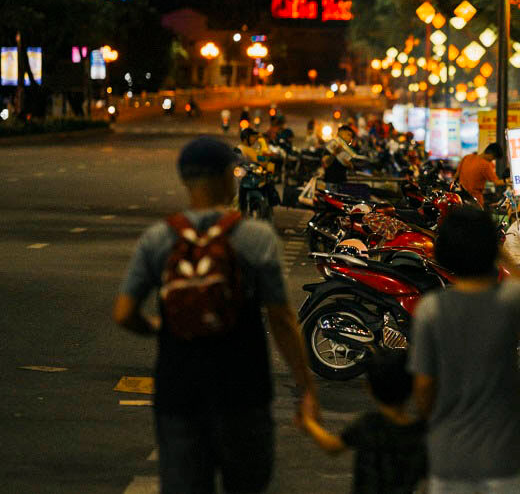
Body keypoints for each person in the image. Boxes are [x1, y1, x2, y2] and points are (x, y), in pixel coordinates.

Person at [112, 136, 318, 493]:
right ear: (228, 177)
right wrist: (305, 386)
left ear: (184, 180)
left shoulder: (158, 238)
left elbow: (124, 313)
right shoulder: (256, 238)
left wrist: (159, 326)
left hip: (179, 395)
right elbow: (281, 318)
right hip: (244, 395)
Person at [409, 206, 520, 493]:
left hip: (450, 456)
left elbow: (423, 388)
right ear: (490, 249)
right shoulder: (514, 299)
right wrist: (503, 254)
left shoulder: (431, 310)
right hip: (505, 457)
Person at [301, 349, 427, 493]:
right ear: (411, 387)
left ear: (368, 388)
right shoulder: (418, 433)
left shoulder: (368, 424)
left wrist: (309, 422)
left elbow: (332, 446)